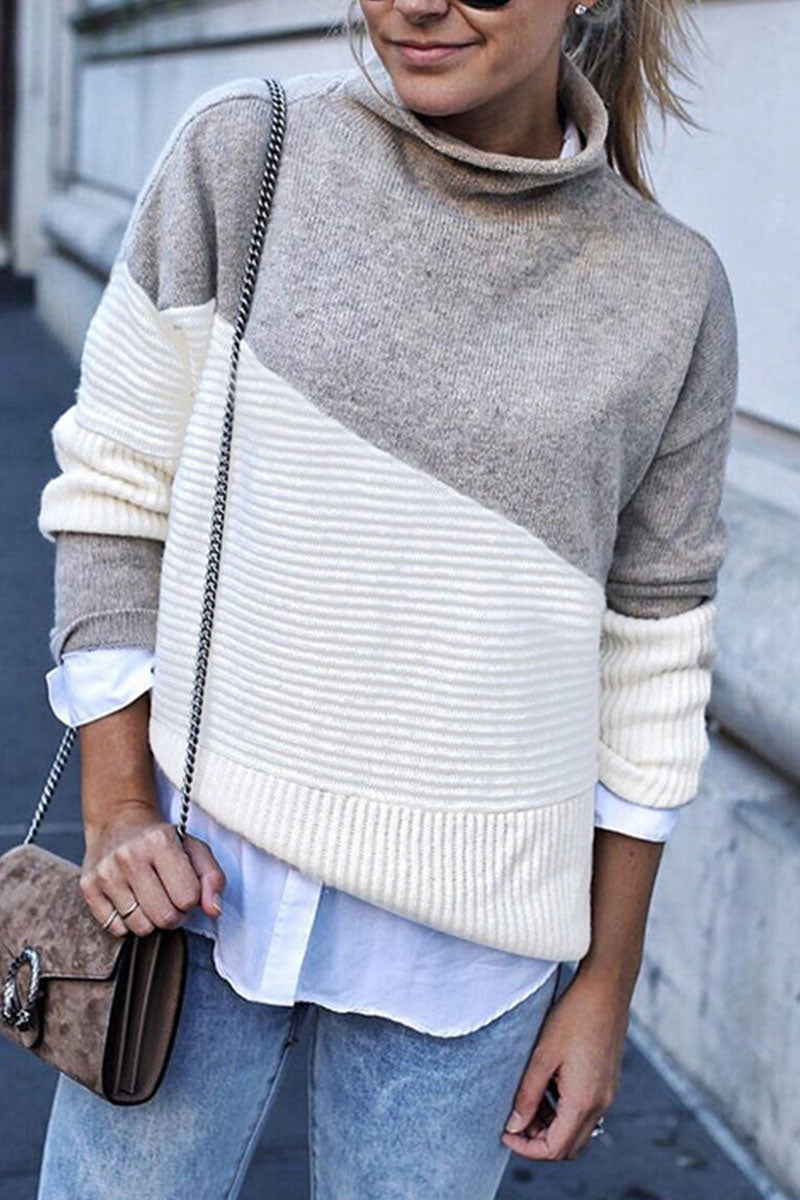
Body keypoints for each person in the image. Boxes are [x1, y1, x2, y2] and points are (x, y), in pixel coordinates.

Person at [34, 0, 738, 1196]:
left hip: (468, 952)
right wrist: (115, 810)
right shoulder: (244, 154)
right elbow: (114, 494)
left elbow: (652, 655)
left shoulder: (667, 291)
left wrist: (604, 983)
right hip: (186, 894)